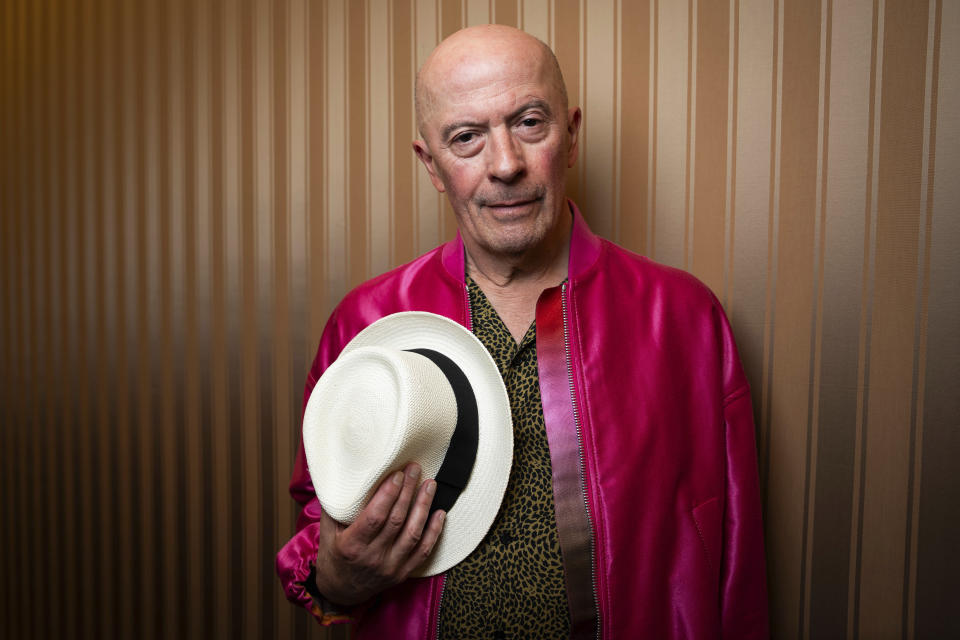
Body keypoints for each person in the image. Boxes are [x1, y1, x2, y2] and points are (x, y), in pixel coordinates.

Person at [276, 24, 769, 639]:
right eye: (466, 138)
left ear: (571, 137)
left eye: (529, 122)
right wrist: (338, 578)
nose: (505, 164)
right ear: (431, 164)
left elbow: (736, 562)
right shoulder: (368, 325)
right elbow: (319, 534)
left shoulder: (686, 320)